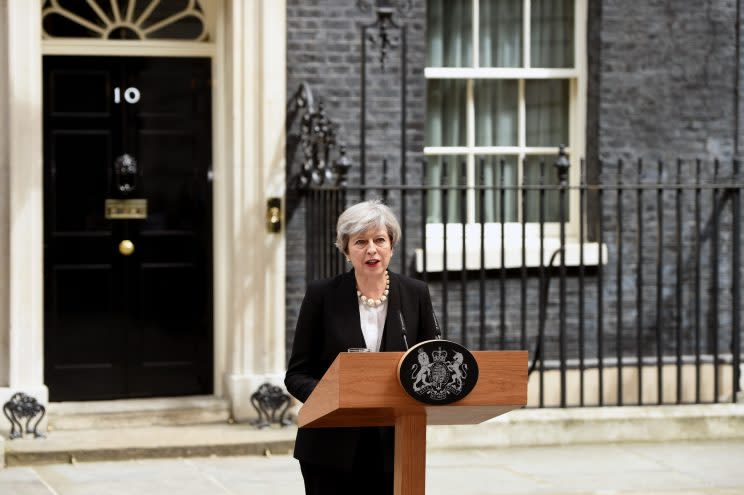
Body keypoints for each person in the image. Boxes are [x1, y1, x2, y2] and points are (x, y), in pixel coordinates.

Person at [285, 199, 438, 495]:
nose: (372, 250)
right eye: (360, 242)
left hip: (394, 444)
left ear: (391, 245)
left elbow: (431, 364)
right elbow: (296, 374)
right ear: (346, 249)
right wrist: (334, 397)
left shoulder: (415, 294)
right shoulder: (322, 295)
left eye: (380, 240)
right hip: (330, 445)